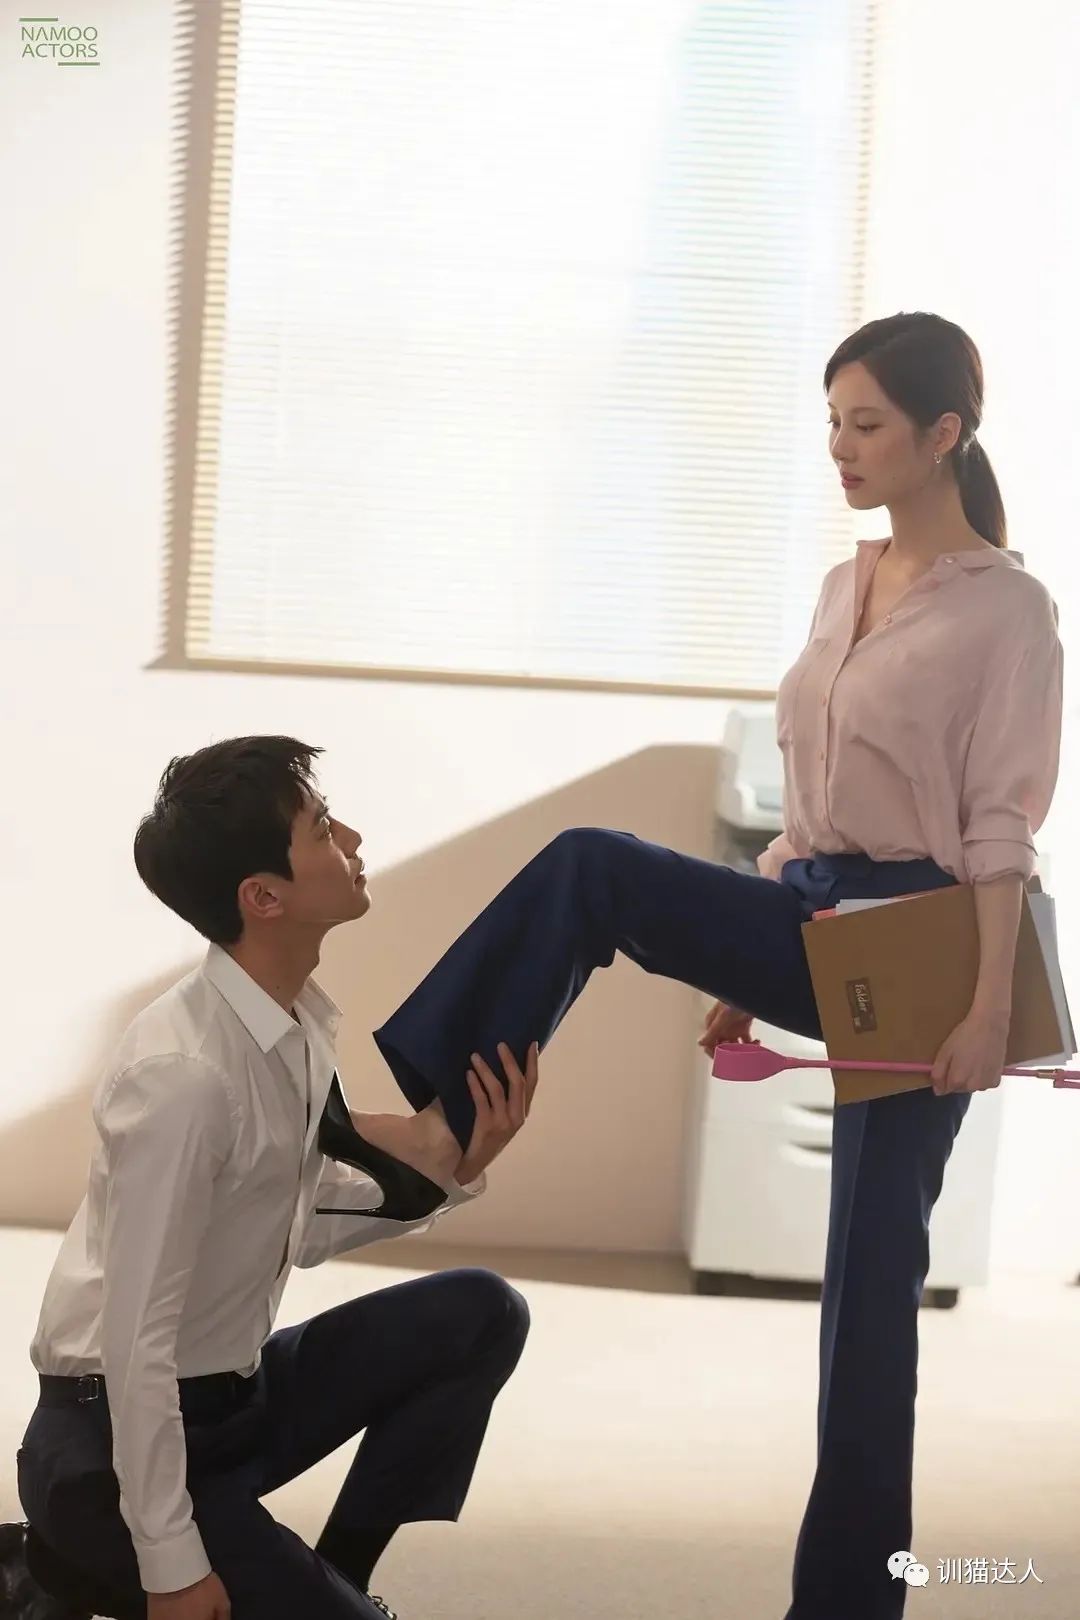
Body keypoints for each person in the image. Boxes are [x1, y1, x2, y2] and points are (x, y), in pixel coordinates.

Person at [361, 313, 1064, 1619]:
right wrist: (745, 951)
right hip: (812, 909)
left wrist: (983, 1013)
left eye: (866, 424)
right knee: (594, 868)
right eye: (832, 421)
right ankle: (446, 1126)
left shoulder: (1012, 611)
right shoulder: (846, 585)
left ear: (943, 435)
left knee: (869, 1304)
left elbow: (999, 832)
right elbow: (810, 801)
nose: (840, 447)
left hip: (924, 949)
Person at [5, 737, 536, 1620]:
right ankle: (60, 1566)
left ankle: (339, 1576)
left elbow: (289, 1218)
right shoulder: (183, 1077)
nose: (352, 839)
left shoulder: (288, 1027)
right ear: (264, 897)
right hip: (112, 1450)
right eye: (322, 829)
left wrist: (450, 1176)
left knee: (481, 1312)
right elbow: (136, 1342)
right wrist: (172, 1566)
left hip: (231, 1403)